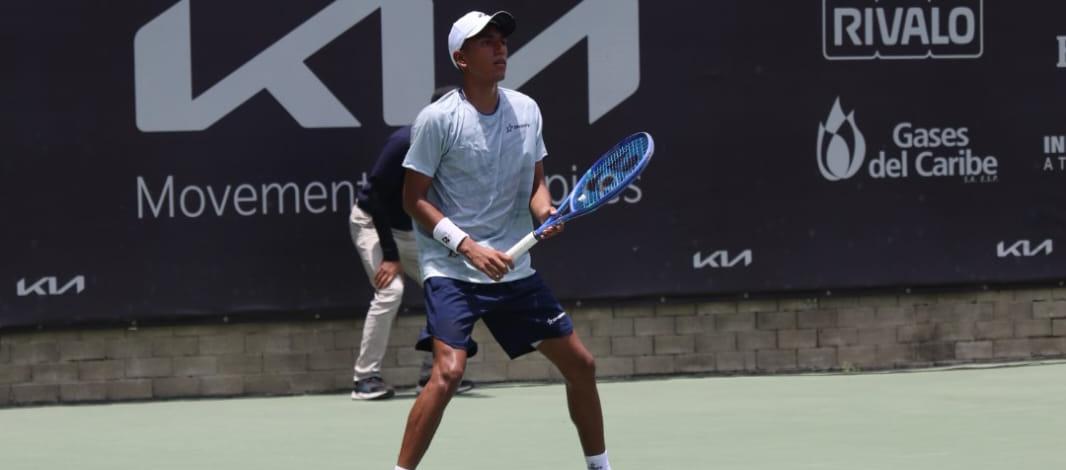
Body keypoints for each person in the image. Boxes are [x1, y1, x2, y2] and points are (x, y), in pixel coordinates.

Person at [393, 10, 612, 470]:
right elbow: (414, 199)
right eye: (486, 42)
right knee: (448, 373)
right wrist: (467, 246)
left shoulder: (527, 110)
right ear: (461, 58)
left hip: (513, 269)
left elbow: (536, 184)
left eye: (501, 40)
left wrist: (545, 212)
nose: (500, 48)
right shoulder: (437, 120)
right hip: (453, 270)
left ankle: (599, 467)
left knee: (582, 366)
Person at [349, 86, 475, 400]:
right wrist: (390, 257)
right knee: (391, 291)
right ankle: (364, 378)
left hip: (413, 230)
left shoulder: (456, 148)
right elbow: (376, 197)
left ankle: (432, 372)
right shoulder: (403, 142)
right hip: (372, 224)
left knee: (453, 286)